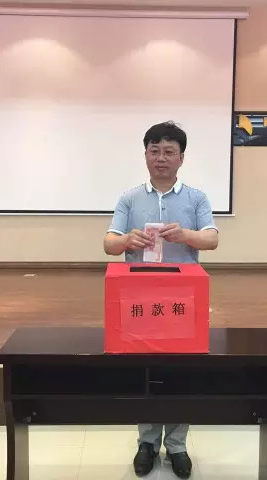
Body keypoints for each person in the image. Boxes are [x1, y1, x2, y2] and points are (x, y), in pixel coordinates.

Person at [103, 121, 219, 478]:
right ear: (145, 155)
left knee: (182, 371)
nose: (161, 158)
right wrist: (127, 240)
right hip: (139, 301)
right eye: (154, 151)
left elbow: (212, 240)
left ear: (181, 158)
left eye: (169, 151)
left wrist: (186, 235)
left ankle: (178, 445)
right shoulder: (129, 198)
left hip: (184, 300)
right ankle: (148, 443)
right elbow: (109, 244)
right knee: (145, 369)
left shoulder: (196, 198)